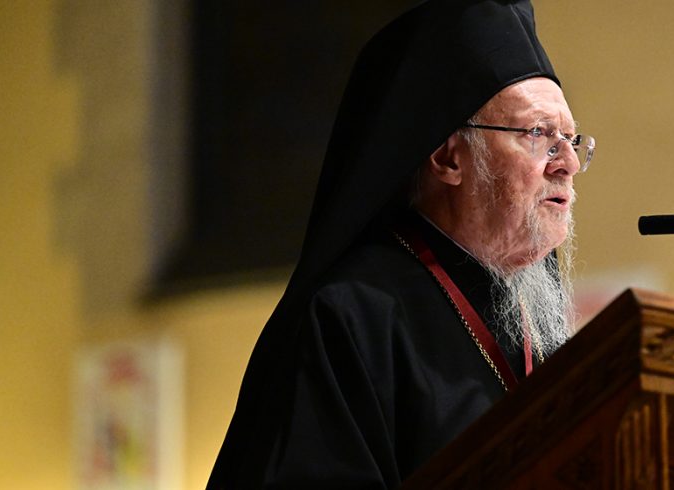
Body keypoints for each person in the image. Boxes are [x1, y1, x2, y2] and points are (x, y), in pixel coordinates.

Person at [207, 0, 595, 488]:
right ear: (447, 157)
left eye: (572, 139)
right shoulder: (350, 317)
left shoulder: (537, 323)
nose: (568, 164)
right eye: (539, 134)